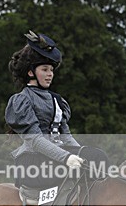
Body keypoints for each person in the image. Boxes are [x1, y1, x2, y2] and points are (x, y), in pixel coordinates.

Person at [5, 31, 84, 189]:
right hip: (34, 161)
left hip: (57, 158)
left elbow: (66, 136)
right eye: (45, 69)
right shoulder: (22, 100)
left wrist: (81, 153)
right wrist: (66, 158)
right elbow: (35, 140)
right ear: (30, 72)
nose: (50, 75)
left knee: (96, 160)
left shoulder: (57, 100)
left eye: (52, 70)